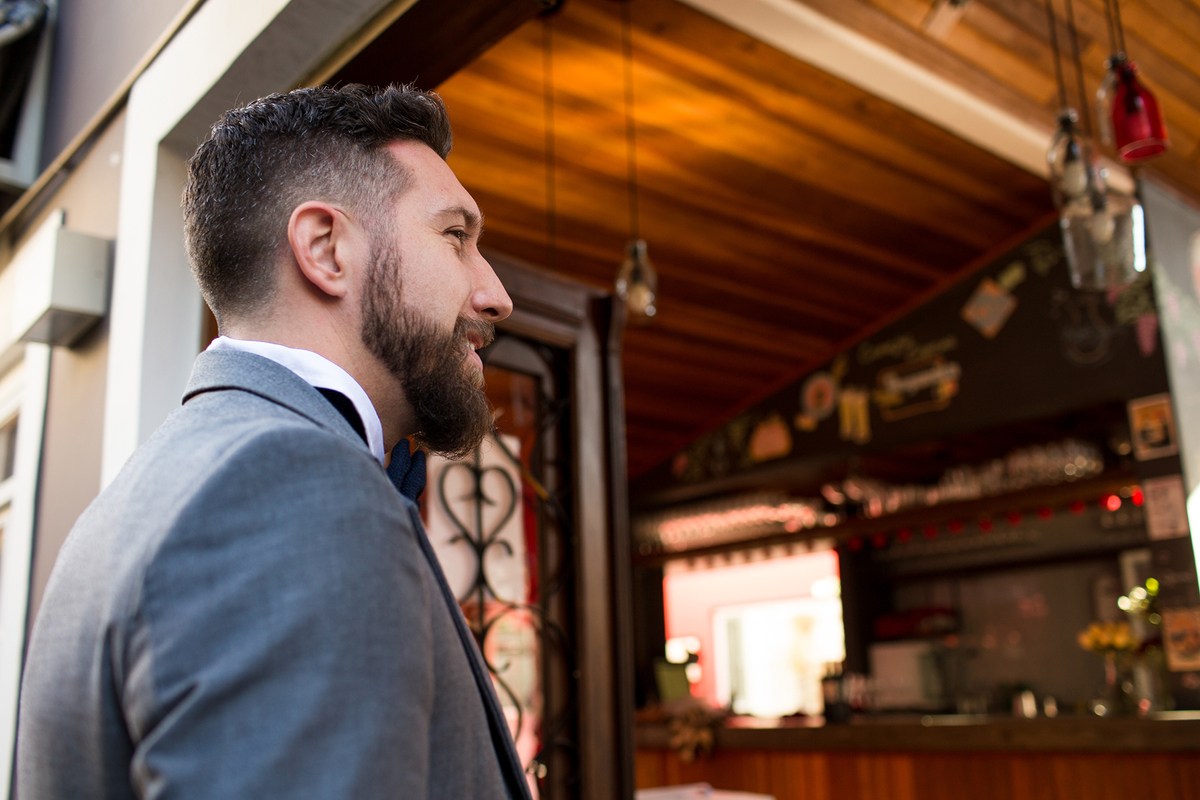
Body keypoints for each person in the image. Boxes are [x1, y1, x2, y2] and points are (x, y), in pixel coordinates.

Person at [16, 84, 532, 800]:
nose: (496, 292)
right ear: (325, 249)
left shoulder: (161, 485)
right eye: (455, 236)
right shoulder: (295, 488)